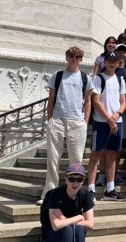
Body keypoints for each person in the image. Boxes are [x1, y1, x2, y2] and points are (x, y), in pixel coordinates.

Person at [38, 47, 93, 205]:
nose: (74, 59)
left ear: (81, 59)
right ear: (67, 57)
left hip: (77, 123)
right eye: (71, 56)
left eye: (77, 56)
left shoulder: (85, 78)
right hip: (57, 121)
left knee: (76, 161)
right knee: (53, 159)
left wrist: (85, 121)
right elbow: (51, 99)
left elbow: (88, 101)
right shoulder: (58, 75)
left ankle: (73, 195)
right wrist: (50, 120)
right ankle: (48, 195)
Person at [87, 51, 126, 202]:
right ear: (105, 62)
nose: (112, 63)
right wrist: (109, 119)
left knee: (112, 155)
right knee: (95, 155)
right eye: (109, 60)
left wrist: (117, 116)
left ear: (118, 63)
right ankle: (90, 188)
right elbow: (96, 101)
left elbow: (123, 102)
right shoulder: (98, 79)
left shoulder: (120, 79)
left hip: (117, 121)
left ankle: (110, 189)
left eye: (114, 61)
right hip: (102, 122)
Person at [41, 164, 94, 242]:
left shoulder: (85, 194)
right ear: (66, 179)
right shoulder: (54, 194)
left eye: (79, 180)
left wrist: (65, 220)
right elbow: (56, 226)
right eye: (71, 179)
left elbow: (90, 224)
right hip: (51, 231)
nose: (75, 183)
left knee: (78, 229)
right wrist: (78, 217)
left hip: (73, 230)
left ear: (83, 181)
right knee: (68, 230)